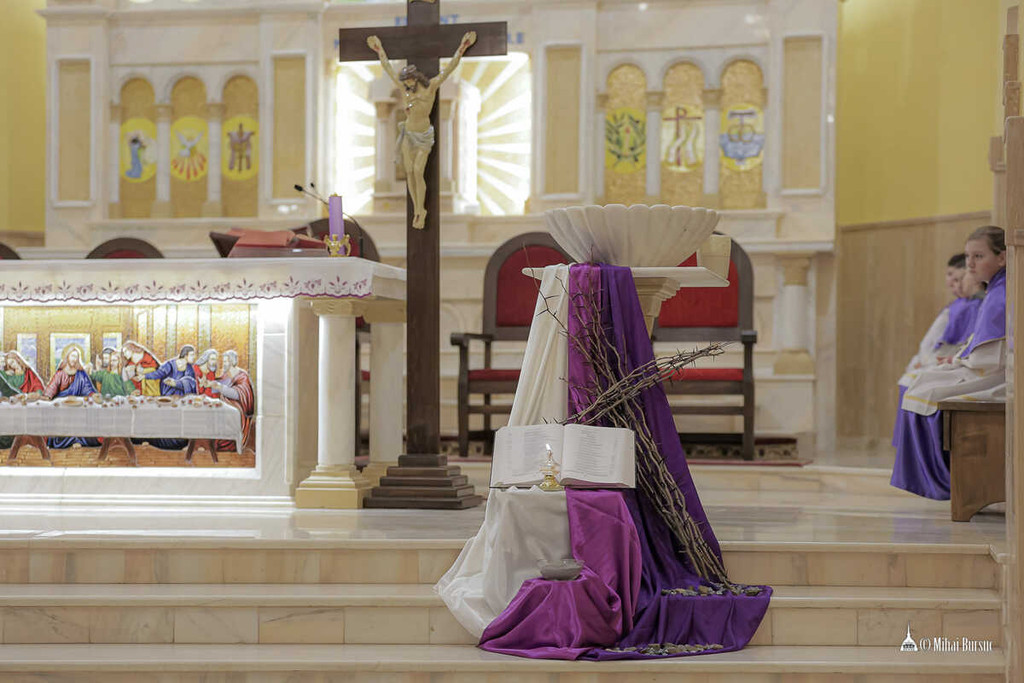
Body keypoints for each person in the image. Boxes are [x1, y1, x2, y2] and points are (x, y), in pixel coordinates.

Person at [891, 226, 1007, 499]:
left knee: (924, 389)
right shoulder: (997, 289)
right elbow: (981, 343)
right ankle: (941, 477)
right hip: (989, 370)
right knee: (922, 382)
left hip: (998, 377)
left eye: (978, 256)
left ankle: (946, 480)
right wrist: (957, 359)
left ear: (1002, 258)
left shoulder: (999, 295)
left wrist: (957, 360)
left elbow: (990, 356)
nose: (970, 264)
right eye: (968, 256)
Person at [367, 30, 476, 229]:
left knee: (418, 171)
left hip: (424, 135)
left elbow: (449, 69)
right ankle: (417, 210)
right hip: (408, 134)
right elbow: (388, 68)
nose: (407, 86)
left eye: (409, 82)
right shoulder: (404, 90)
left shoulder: (431, 87)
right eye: (405, 83)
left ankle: (421, 209)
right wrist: (379, 49)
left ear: (415, 78)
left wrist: (462, 47)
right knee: (410, 172)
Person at [43, 345, 99, 448]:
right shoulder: (60, 373)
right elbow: (51, 389)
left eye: (76, 357)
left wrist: (93, 395)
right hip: (63, 405)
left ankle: (79, 440)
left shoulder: (81, 373)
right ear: (67, 357)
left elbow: (88, 389)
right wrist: (47, 397)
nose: (74, 359)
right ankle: (66, 441)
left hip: (78, 405)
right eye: (72, 356)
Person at [208, 349, 254, 451]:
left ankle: (228, 445)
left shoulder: (242, 376)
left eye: (225, 361)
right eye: (223, 361)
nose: (223, 364)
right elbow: (219, 386)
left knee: (226, 416)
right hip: (225, 405)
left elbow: (238, 395)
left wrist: (220, 387)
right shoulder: (226, 374)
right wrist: (210, 384)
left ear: (232, 361)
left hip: (238, 409)